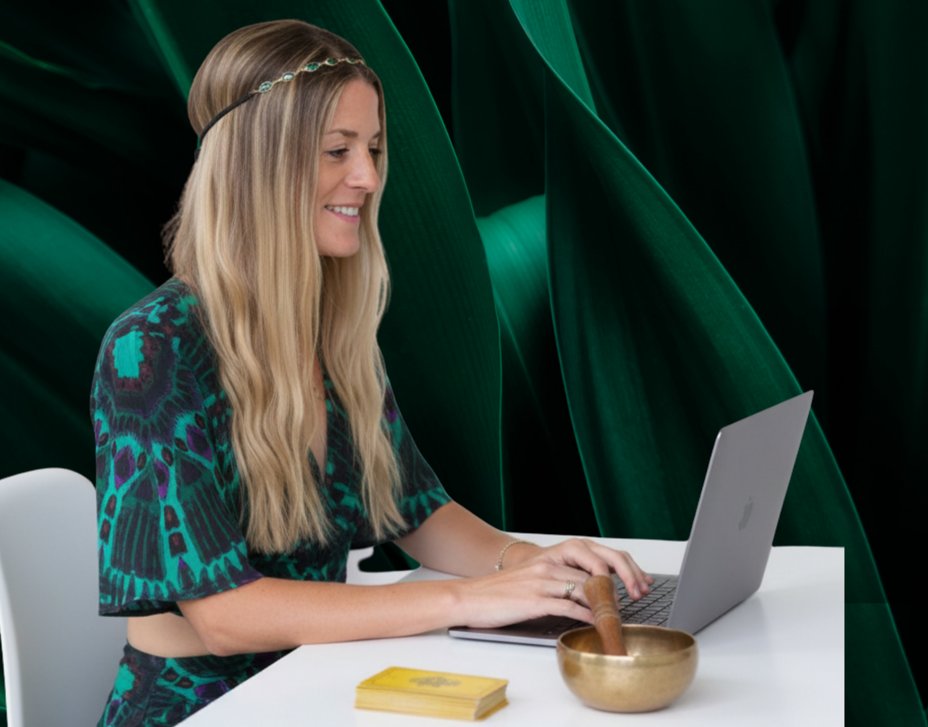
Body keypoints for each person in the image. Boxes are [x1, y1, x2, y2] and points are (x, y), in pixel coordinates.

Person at [88, 20, 649, 725]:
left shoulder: (334, 332)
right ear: (260, 163)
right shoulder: (152, 349)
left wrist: (523, 561)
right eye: (338, 151)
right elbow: (225, 616)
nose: (369, 177)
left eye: (374, 149)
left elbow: (415, 510)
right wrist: (465, 600)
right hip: (203, 706)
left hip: (319, 682)